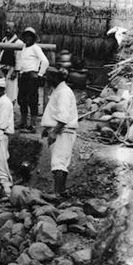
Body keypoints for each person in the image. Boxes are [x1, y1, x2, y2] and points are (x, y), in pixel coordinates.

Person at [41, 67, 78, 197]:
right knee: (61, 161)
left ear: (55, 78)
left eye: (48, 76)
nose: (46, 79)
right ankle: (61, 191)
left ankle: (57, 193)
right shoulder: (59, 90)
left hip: (63, 132)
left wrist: (53, 132)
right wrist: (47, 129)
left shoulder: (63, 92)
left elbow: (63, 117)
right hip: (61, 131)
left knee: (59, 163)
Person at [14, 27, 49, 133]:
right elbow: (21, 62)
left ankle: (33, 125)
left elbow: (45, 61)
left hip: (32, 76)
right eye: (26, 36)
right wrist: (19, 72)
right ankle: (23, 121)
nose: (28, 38)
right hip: (23, 76)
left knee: (32, 100)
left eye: (30, 36)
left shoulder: (36, 48)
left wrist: (40, 74)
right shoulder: (24, 48)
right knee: (21, 99)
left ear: (33, 38)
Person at [0, 21, 20, 104]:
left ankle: (10, 106)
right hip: (1, 67)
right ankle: (0, 105)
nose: (7, 30)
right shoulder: (4, 40)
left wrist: (16, 71)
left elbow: (19, 58)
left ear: (14, 30)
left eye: (10, 29)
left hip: (11, 69)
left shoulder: (18, 43)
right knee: (1, 87)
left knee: (11, 89)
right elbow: (0, 52)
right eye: (6, 28)